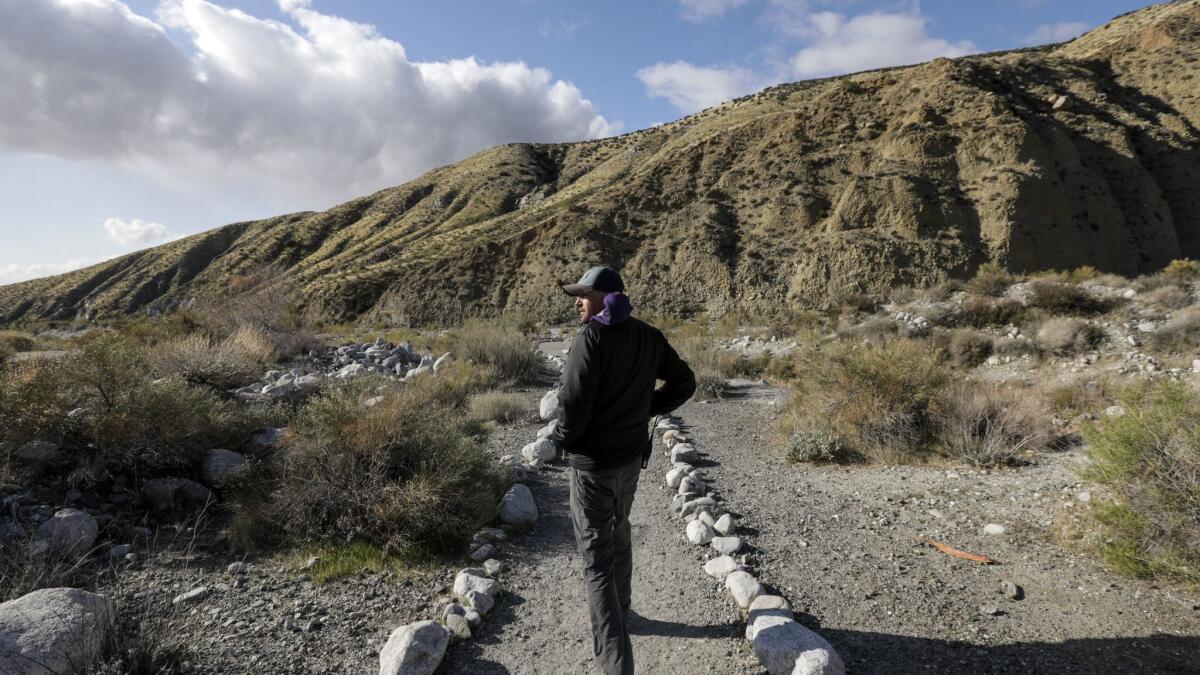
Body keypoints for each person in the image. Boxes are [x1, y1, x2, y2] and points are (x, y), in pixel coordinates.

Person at [549, 265, 696, 675]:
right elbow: (684, 382)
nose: (577, 301)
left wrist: (561, 439)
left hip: (592, 468)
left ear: (602, 297)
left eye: (583, 295)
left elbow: (573, 404)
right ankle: (624, 610)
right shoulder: (648, 336)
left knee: (596, 561)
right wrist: (647, 407)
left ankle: (616, 665)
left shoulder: (590, 338)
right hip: (630, 463)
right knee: (619, 530)